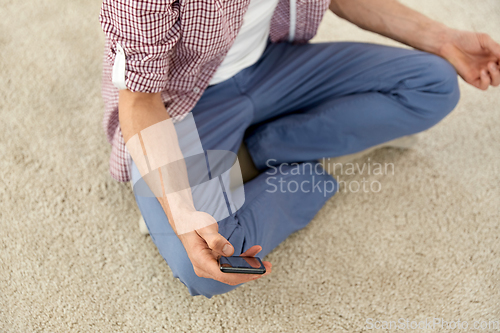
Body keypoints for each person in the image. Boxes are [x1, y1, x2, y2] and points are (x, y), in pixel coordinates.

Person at [99, 0, 500, 298]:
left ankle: (255, 153)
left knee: (435, 84)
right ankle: (301, 170)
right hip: (183, 101)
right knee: (205, 264)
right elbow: (140, 100)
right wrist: (181, 210)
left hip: (271, 64)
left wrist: (443, 38)